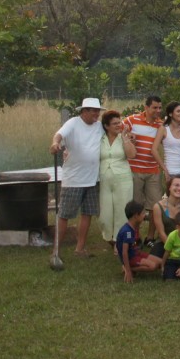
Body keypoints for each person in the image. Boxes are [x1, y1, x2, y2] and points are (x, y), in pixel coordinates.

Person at [49, 97, 104, 257]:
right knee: (64, 214)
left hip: (93, 178)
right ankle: (56, 251)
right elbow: (59, 135)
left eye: (98, 111)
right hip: (74, 179)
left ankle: (80, 248)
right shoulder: (73, 122)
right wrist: (55, 144)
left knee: (87, 213)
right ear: (84, 111)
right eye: (94, 111)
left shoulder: (99, 126)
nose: (97, 114)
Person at [122, 96, 164, 232]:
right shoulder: (132, 120)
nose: (158, 110)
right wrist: (128, 136)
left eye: (160, 107)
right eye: (154, 107)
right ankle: (135, 235)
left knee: (155, 206)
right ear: (146, 107)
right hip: (135, 170)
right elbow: (118, 131)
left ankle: (151, 236)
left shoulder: (160, 124)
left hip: (153, 170)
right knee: (136, 206)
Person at [98, 109, 136, 245]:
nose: (118, 125)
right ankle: (109, 236)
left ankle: (120, 240)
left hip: (123, 179)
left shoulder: (124, 137)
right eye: (114, 123)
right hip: (105, 179)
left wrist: (126, 138)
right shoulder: (100, 139)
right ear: (106, 126)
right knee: (105, 213)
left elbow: (131, 155)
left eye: (119, 122)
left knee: (122, 210)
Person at [150, 175, 180, 257]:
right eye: (176, 185)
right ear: (169, 187)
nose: (179, 188)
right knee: (154, 264)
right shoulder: (158, 206)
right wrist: (173, 250)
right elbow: (161, 232)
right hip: (164, 242)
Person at [116, 200, 162, 283]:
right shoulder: (128, 232)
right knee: (153, 266)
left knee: (161, 262)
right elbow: (124, 252)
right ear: (136, 216)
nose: (145, 215)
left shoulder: (135, 226)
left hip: (137, 253)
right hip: (131, 257)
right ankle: (128, 269)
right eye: (143, 213)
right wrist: (128, 270)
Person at [151, 101, 180, 193]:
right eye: (178, 111)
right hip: (171, 172)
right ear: (170, 114)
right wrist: (165, 169)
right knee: (173, 202)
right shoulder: (164, 129)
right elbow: (154, 150)